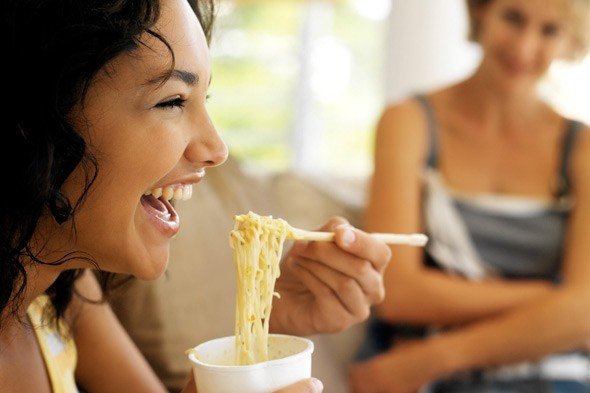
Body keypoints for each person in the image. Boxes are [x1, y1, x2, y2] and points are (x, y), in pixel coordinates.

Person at [0, 1, 392, 392]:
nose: (216, 149)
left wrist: (269, 325)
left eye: (204, 100)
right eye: (172, 101)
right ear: (32, 120)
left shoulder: (60, 291)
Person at [349, 0, 590, 392]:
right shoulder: (409, 122)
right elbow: (397, 291)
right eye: (513, 17)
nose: (525, 47)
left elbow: (584, 312)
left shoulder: (582, 148)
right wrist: (550, 298)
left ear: (571, 41)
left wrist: (435, 358)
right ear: (481, 13)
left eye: (550, 31)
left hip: (545, 373)